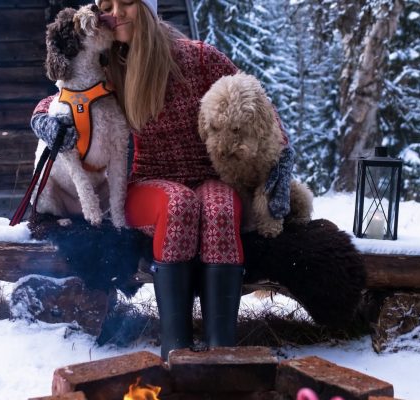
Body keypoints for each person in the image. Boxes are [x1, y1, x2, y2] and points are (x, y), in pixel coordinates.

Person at [30, 0, 292, 360]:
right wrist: (42, 116)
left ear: (149, 9)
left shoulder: (199, 58)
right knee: (179, 204)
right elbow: (62, 94)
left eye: (128, 3)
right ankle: (177, 351)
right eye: (108, 5)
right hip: (145, 185)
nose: (117, 13)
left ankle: (223, 353)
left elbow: (259, 103)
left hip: (206, 176)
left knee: (217, 208)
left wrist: (282, 158)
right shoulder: (110, 67)